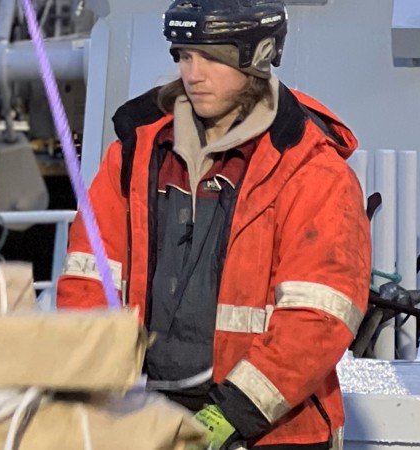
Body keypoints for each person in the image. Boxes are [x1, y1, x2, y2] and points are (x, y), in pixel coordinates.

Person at [54, 0, 371, 449]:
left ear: (258, 58)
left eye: (211, 57)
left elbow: (318, 319)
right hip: (146, 421)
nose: (193, 74)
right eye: (184, 55)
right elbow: (87, 279)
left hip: (272, 433)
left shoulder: (312, 171)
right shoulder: (132, 155)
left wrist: (232, 413)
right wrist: (94, 387)